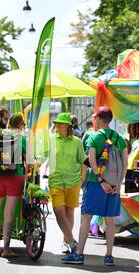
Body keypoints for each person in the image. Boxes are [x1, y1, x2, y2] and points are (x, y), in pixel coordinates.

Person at [63, 107, 128, 266]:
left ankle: (79, 254)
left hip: (95, 183)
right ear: (110, 120)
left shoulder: (94, 136)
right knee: (110, 221)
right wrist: (118, 184)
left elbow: (91, 161)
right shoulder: (119, 139)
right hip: (114, 185)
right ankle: (109, 256)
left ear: (99, 119)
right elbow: (125, 163)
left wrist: (101, 181)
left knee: (86, 218)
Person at [0, 113, 26, 258]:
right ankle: (7, 249)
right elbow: (28, 161)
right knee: (8, 214)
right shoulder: (22, 138)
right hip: (15, 177)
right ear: (21, 125)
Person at [46, 113, 87, 254]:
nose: (57, 125)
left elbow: (83, 161)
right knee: (58, 212)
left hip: (73, 182)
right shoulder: (50, 139)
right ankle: (72, 241)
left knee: (69, 212)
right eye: (56, 123)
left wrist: (82, 179)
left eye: (60, 123)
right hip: (55, 181)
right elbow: (42, 154)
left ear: (67, 126)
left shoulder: (77, 142)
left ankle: (66, 241)